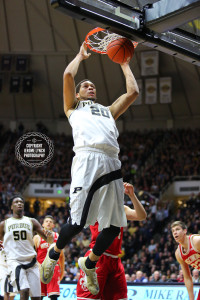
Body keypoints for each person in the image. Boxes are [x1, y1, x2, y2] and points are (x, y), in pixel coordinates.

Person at [40, 41, 139, 296]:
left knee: (114, 227)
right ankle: (54, 253)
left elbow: (132, 93)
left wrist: (125, 64)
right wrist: (80, 56)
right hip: (87, 159)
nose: (90, 86)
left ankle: (90, 262)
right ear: (78, 93)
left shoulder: (107, 111)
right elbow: (68, 75)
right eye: (85, 85)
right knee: (78, 222)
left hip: (112, 162)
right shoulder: (72, 108)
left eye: (93, 85)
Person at [76, 182, 147, 300]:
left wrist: (132, 196)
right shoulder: (96, 206)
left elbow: (141, 216)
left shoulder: (121, 209)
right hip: (97, 258)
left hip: (115, 260)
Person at [0, 194, 54, 300]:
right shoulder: (4, 224)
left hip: (32, 262)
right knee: (24, 290)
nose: (19, 203)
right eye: (16, 202)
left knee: (36, 297)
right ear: (11, 206)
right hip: (15, 262)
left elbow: (48, 240)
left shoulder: (32, 221)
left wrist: (50, 236)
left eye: (21, 202)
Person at [33, 215, 65, 300]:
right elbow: (33, 255)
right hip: (40, 267)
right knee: (40, 295)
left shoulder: (57, 236)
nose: (48, 223)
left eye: (50, 222)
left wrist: (62, 270)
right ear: (42, 224)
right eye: (46, 221)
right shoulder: (37, 237)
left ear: (53, 225)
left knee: (53, 295)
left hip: (54, 268)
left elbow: (61, 255)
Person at [171, 221, 200, 300]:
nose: (175, 232)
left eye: (177, 229)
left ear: (185, 231)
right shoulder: (178, 254)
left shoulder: (196, 241)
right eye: (173, 231)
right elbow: (187, 278)